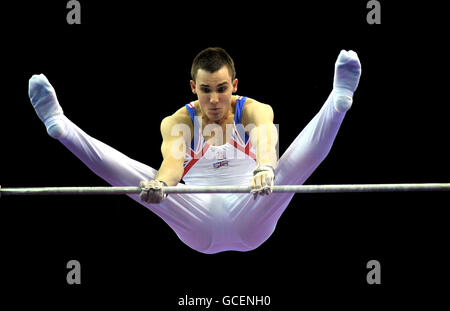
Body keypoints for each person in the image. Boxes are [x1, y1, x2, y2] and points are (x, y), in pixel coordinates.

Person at [28, 47, 361, 254]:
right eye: (205, 90)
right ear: (193, 87)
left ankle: (337, 103)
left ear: (234, 86)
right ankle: (63, 129)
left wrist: (264, 169)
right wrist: (163, 186)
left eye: (220, 89)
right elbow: (172, 164)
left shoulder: (254, 109)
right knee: (142, 177)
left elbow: (264, 141)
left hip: (254, 205)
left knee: (289, 168)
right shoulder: (179, 121)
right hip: (197, 220)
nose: (213, 100)